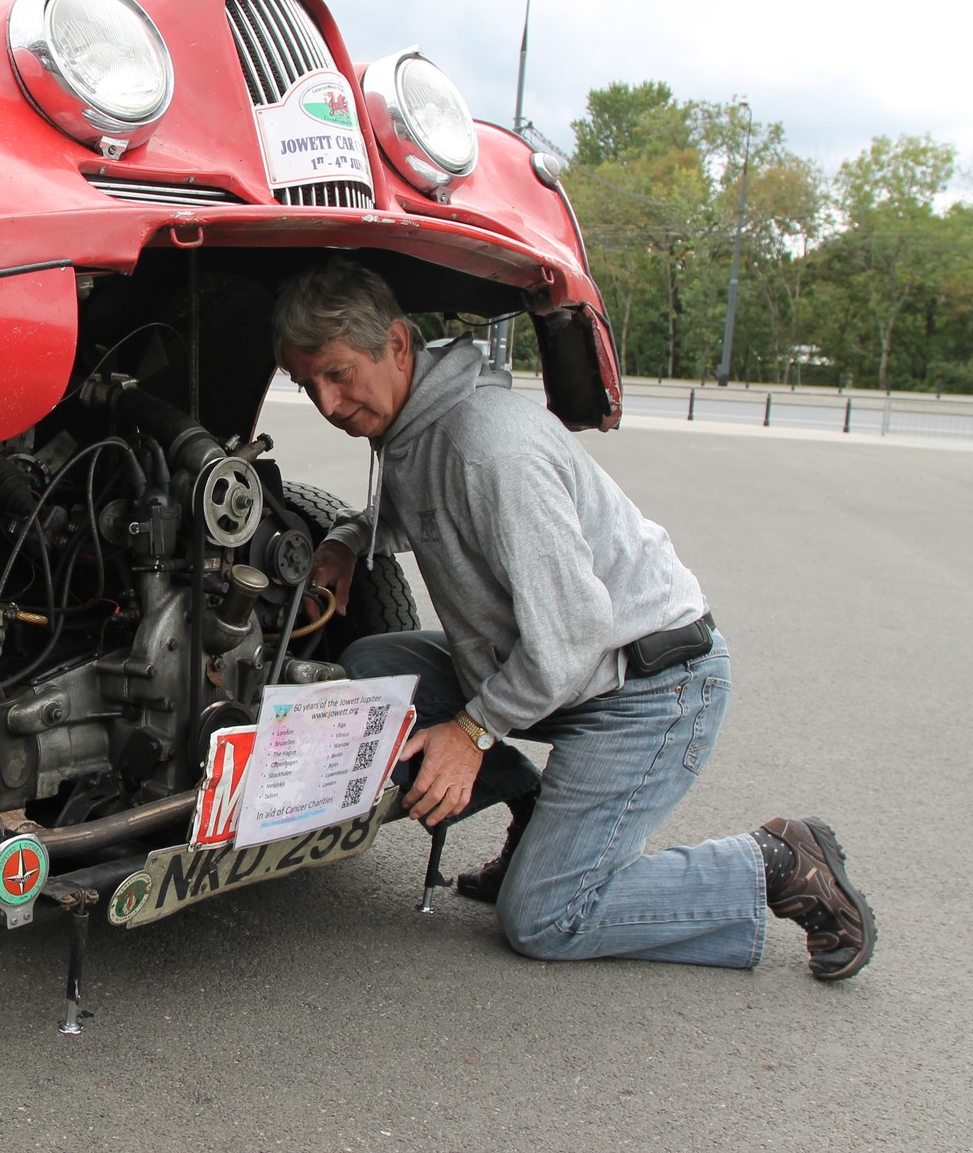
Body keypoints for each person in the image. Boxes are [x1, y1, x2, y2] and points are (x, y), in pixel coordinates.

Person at [273, 256, 875, 980]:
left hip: (649, 690)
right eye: (309, 386)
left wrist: (470, 734)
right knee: (374, 668)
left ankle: (777, 862)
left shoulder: (489, 448)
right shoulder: (416, 428)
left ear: (398, 346)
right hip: (564, 670)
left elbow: (574, 633)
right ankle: (536, 818)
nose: (330, 404)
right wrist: (343, 542)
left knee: (545, 918)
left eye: (339, 375)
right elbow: (414, 512)